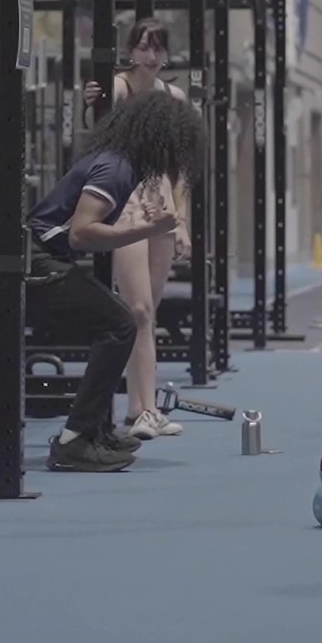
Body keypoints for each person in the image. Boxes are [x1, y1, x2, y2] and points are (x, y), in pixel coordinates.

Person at [29, 89, 206, 471]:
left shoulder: (122, 165)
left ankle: (93, 431)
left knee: (121, 321)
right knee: (121, 324)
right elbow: (81, 234)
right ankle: (74, 439)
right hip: (37, 265)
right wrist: (146, 229)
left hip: (49, 260)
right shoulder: (116, 169)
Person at [83, 18, 193, 439]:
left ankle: (140, 408)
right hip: (125, 202)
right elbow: (95, 131)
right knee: (138, 310)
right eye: (144, 47)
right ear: (131, 50)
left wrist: (181, 221)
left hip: (160, 203)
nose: (151, 56)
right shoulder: (117, 88)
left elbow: (181, 168)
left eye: (158, 48)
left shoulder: (174, 98)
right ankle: (142, 408)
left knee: (149, 314)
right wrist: (90, 99)